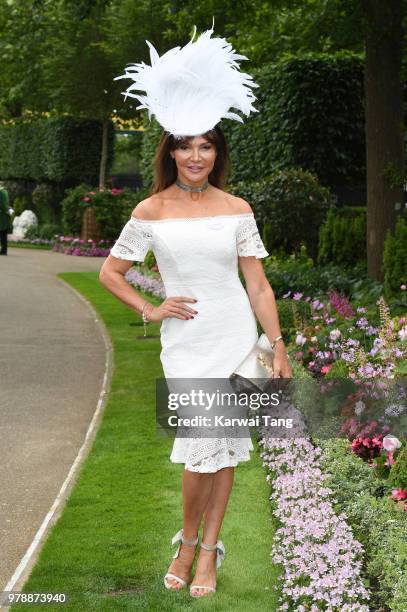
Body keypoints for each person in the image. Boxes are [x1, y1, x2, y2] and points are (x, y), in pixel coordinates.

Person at [100, 23, 292, 598]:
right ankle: (188, 540)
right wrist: (150, 307)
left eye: (206, 145)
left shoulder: (237, 208)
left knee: (225, 445)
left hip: (235, 333)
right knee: (200, 451)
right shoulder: (150, 210)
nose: (195, 155)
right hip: (186, 339)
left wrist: (277, 345)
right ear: (170, 151)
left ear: (217, 152)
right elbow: (111, 271)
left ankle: (208, 552)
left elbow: (257, 286)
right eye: (185, 145)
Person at [0, 183, 12, 255]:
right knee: (3, 234)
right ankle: (4, 250)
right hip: (5, 215)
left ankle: (3, 250)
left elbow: (2, 204)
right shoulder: (5, 191)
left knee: (2, 234)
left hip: (1, 215)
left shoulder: (1, 192)